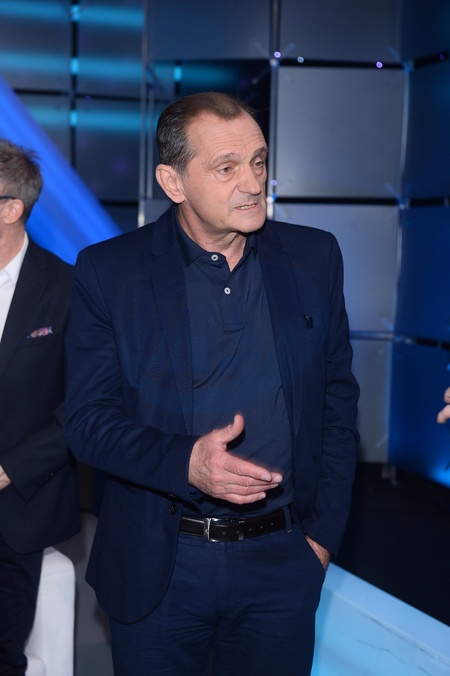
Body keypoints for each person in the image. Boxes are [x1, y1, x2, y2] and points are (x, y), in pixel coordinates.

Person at [64, 91, 359, 676]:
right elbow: (87, 422)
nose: (252, 182)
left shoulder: (314, 256)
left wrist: (320, 541)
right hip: (161, 561)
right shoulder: (109, 271)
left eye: (259, 161)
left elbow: (338, 405)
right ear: (172, 182)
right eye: (226, 168)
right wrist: (187, 463)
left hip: (283, 560)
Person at [0, 139, 80, 676]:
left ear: (11, 209)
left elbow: (85, 406)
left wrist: (9, 470)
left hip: (16, 510)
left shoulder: (69, 288)